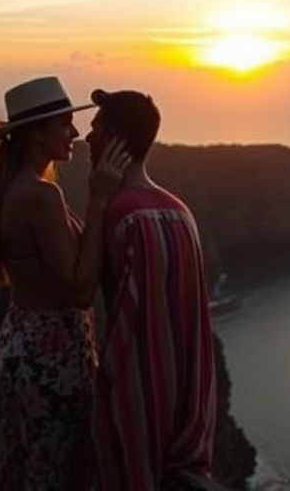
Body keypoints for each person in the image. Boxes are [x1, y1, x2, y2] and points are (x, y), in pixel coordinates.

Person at [0, 76, 132, 491]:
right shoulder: (41, 195)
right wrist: (99, 200)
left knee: (25, 463)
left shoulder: (10, 188)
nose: (75, 133)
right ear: (36, 135)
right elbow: (78, 291)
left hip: (21, 344)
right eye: (64, 124)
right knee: (57, 475)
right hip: (52, 356)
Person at [85, 89, 217, 490]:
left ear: (114, 141)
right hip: (184, 408)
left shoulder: (119, 213)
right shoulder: (181, 210)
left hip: (138, 410)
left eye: (96, 129)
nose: (87, 138)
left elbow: (125, 322)